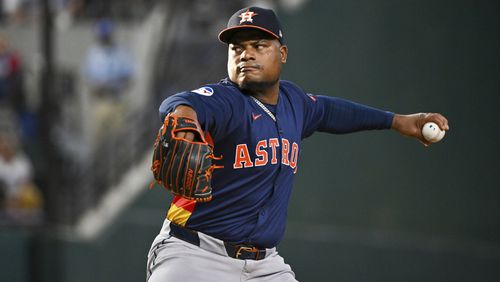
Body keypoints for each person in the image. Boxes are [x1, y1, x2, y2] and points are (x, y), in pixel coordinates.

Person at [146, 6, 449, 282]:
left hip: (264, 266)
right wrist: (183, 114)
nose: (246, 55)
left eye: (259, 46)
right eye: (237, 48)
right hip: (195, 255)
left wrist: (397, 121)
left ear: (283, 53)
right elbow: (183, 101)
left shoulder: (295, 102)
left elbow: (332, 112)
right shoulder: (226, 101)